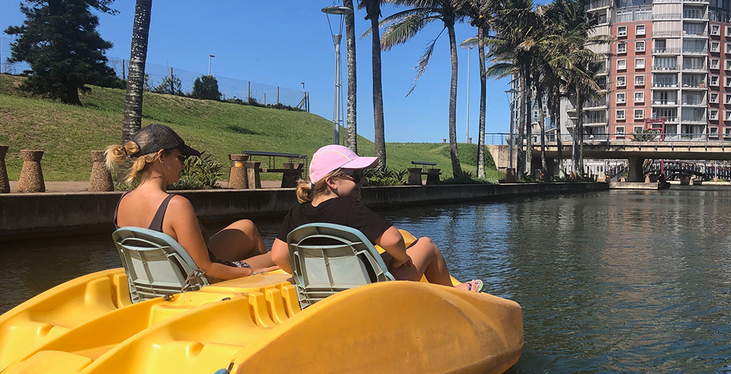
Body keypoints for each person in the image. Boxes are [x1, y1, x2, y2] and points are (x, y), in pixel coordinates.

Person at [270, 145, 483, 292]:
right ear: (332, 182)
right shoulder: (350, 209)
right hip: (370, 290)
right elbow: (393, 240)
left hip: (324, 290)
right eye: (356, 176)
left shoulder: (297, 213)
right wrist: (400, 259)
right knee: (426, 245)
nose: (362, 181)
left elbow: (278, 256)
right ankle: (451, 293)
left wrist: (312, 277)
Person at [107, 124, 275, 280]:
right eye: (181, 157)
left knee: (247, 227)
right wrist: (251, 272)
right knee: (278, 256)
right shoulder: (175, 205)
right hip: (192, 282)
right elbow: (204, 270)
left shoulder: (122, 201)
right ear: (161, 157)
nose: (183, 165)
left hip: (162, 277)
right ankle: (258, 293)